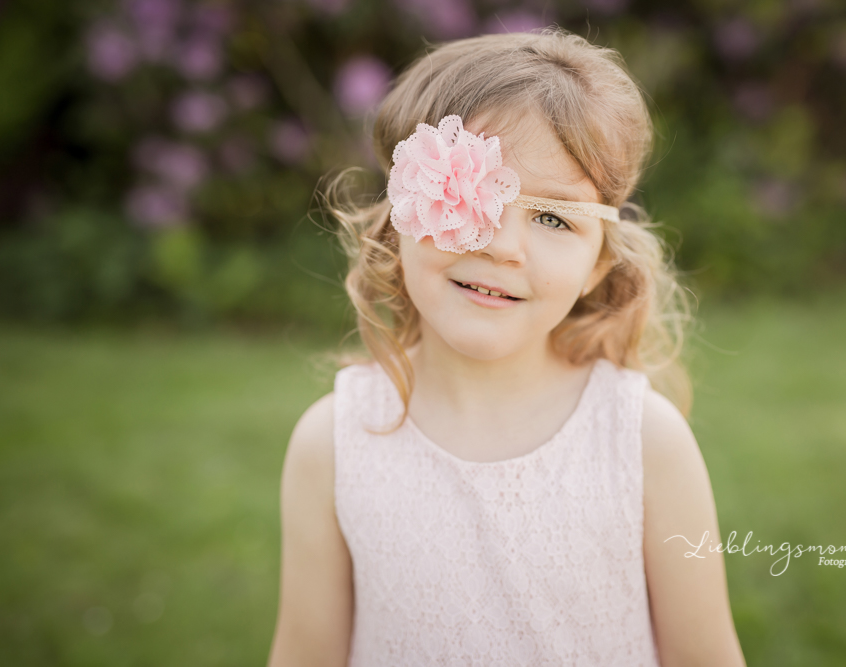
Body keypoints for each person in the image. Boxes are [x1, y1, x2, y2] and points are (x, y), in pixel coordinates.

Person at [268, 28, 746, 667]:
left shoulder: (642, 443)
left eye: (552, 218)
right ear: (397, 218)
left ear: (599, 264)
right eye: (472, 195)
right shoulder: (333, 443)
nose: (502, 247)